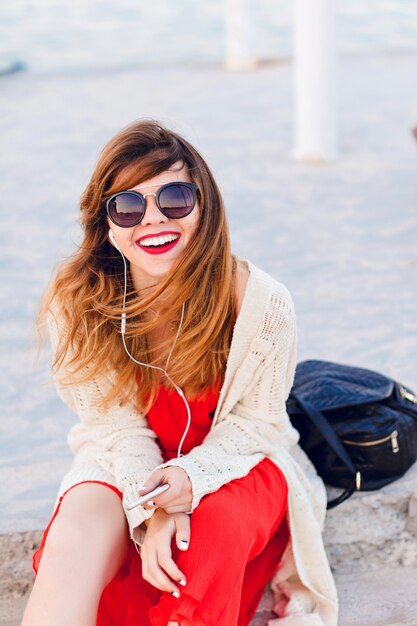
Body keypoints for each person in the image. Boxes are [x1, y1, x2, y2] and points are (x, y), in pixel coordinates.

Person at [21, 119, 338, 626]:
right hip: (126, 459)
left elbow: (255, 426)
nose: (152, 220)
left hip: (237, 462)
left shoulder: (258, 301)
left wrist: (189, 480)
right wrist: (153, 506)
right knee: (76, 534)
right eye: (127, 206)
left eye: (174, 199)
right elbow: (113, 427)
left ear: (203, 206)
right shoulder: (76, 300)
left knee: (211, 532)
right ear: (106, 224)